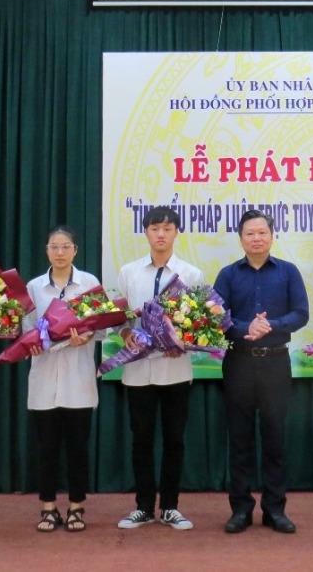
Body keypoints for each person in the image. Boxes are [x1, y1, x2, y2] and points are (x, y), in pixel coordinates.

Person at [214, 209, 309, 534]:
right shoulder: (228, 274)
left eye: (262, 233)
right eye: (250, 233)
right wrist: (246, 328)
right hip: (239, 362)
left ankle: (275, 509)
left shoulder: (288, 272)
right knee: (239, 439)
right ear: (241, 238)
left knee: (275, 438)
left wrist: (271, 325)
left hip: (275, 363)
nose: (256, 238)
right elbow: (217, 317)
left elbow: (301, 314)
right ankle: (240, 510)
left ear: (272, 236)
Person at [116, 206, 202, 530]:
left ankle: (169, 507)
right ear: (146, 232)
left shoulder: (191, 274)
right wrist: (126, 334)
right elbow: (118, 318)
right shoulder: (128, 273)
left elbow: (199, 324)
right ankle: (142, 506)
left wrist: (182, 341)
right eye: (155, 228)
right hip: (138, 371)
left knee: (174, 439)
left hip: (175, 370)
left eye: (167, 228)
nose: (161, 234)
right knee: (141, 439)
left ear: (177, 232)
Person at [24, 226, 100, 533]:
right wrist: (31, 342)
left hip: (78, 377)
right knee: (46, 448)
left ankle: (77, 506)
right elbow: (25, 328)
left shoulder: (89, 283)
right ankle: (48, 507)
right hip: (44, 377)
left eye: (65, 246)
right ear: (46, 250)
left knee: (77, 447)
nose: (59, 252)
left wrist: (87, 335)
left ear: (75, 251)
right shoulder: (34, 287)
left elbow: (102, 325)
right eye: (54, 247)